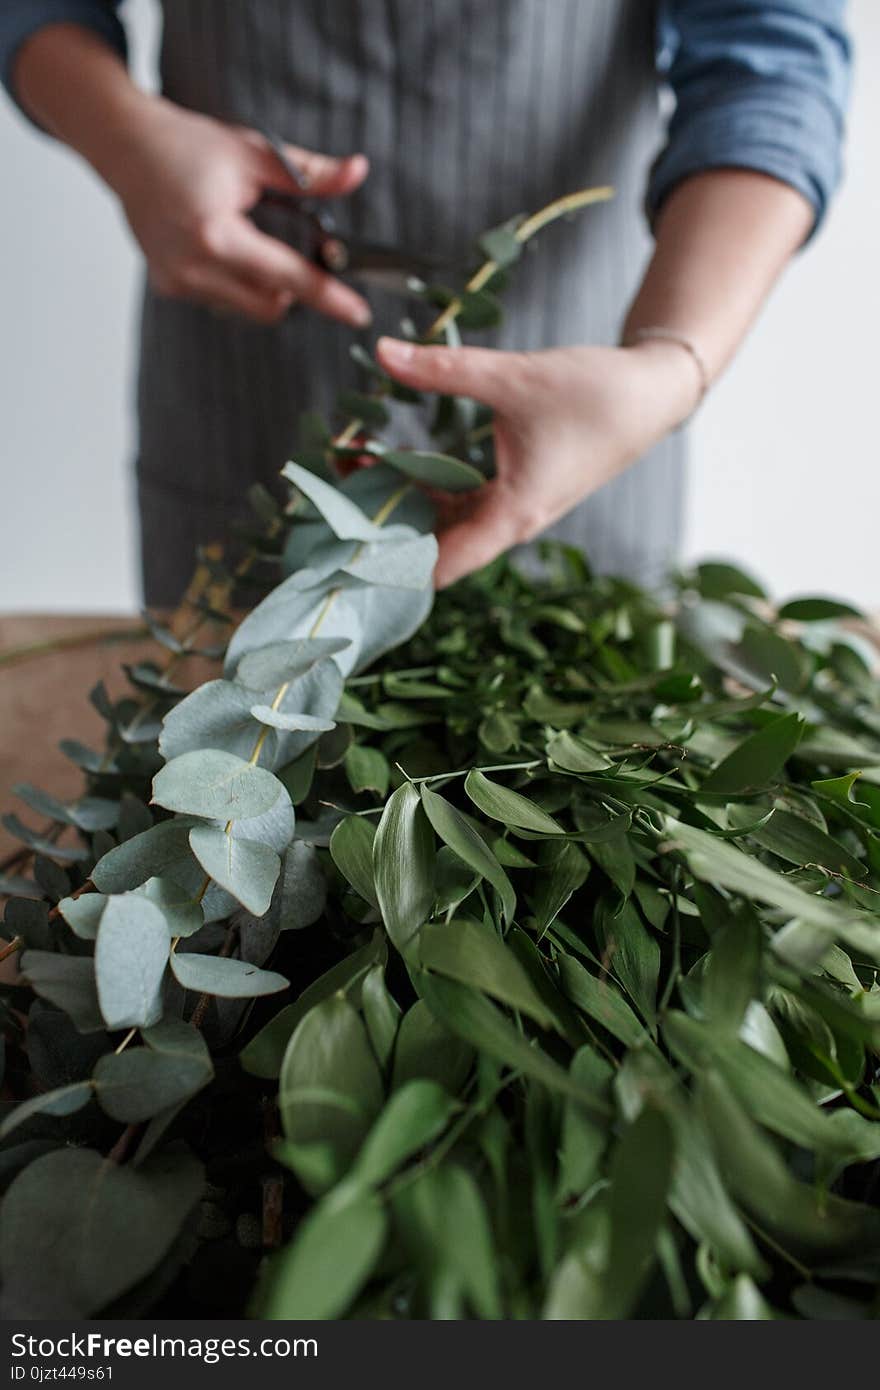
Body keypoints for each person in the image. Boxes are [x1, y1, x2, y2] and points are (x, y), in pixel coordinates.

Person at [2, 1, 851, 602]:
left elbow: (773, 58)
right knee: (222, 797)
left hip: (583, 413)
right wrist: (128, 137)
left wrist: (671, 365)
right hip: (247, 392)